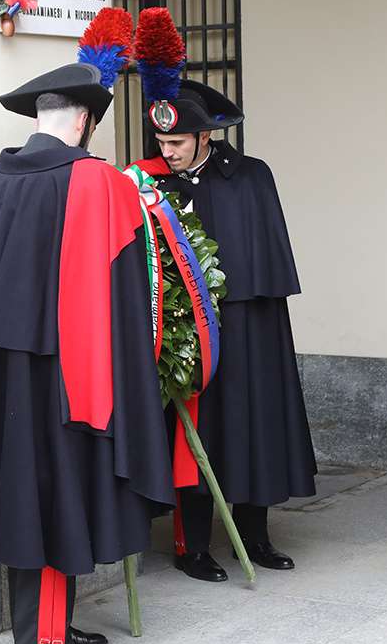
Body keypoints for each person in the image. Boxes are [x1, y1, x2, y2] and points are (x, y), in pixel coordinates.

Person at [0, 63, 173, 644]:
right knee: (56, 491)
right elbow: (126, 298)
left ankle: (52, 626)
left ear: (40, 119)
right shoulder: (99, 183)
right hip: (66, 374)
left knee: (27, 493)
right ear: (85, 122)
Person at [132, 77, 317, 583]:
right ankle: (191, 547)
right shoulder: (152, 186)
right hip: (186, 332)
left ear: (205, 137)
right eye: (162, 143)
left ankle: (254, 536)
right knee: (193, 434)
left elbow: (267, 260)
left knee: (254, 424)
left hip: (250, 327)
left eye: (177, 143)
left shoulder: (252, 176)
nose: (167, 152)